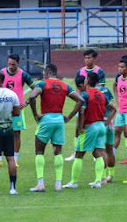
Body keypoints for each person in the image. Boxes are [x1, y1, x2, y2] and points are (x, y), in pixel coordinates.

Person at [28, 64, 84, 192]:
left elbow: (32, 97)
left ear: (47, 73)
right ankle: (58, 184)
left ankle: (40, 184)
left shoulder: (43, 84)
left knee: (39, 151)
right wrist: (69, 116)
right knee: (58, 151)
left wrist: (36, 115)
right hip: (59, 120)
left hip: (46, 120)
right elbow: (80, 100)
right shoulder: (65, 86)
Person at [62, 73, 116, 189]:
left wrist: (80, 128)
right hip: (101, 127)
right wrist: (106, 123)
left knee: (79, 154)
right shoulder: (101, 94)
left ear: (88, 80)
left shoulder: (85, 95)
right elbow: (113, 108)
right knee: (98, 153)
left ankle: (74, 182)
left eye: (86, 78)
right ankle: (98, 181)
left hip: (90, 127)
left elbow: (81, 112)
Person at [0, 53, 36, 167]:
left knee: (16, 134)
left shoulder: (23, 75)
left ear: (18, 64)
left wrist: (27, 102)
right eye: (9, 64)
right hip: (2, 108)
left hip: (16, 110)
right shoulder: (1, 73)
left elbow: (36, 89)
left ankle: (14, 159)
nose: (10, 66)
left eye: (13, 65)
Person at [96, 79, 115, 182]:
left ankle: (103, 177)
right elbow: (113, 106)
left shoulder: (91, 92)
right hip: (110, 122)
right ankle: (111, 175)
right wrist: (111, 119)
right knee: (109, 150)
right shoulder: (106, 90)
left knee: (101, 151)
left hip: (100, 123)